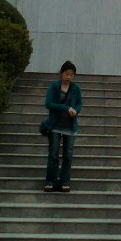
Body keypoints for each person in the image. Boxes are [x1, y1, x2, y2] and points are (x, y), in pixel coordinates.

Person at [43, 61, 82, 193]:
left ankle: (65, 181)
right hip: (55, 125)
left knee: (68, 155)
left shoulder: (76, 88)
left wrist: (76, 111)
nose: (69, 77)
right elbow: (48, 104)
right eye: (66, 74)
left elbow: (79, 103)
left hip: (70, 126)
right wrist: (65, 108)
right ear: (61, 74)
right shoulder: (54, 87)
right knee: (53, 154)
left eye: (71, 74)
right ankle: (50, 181)